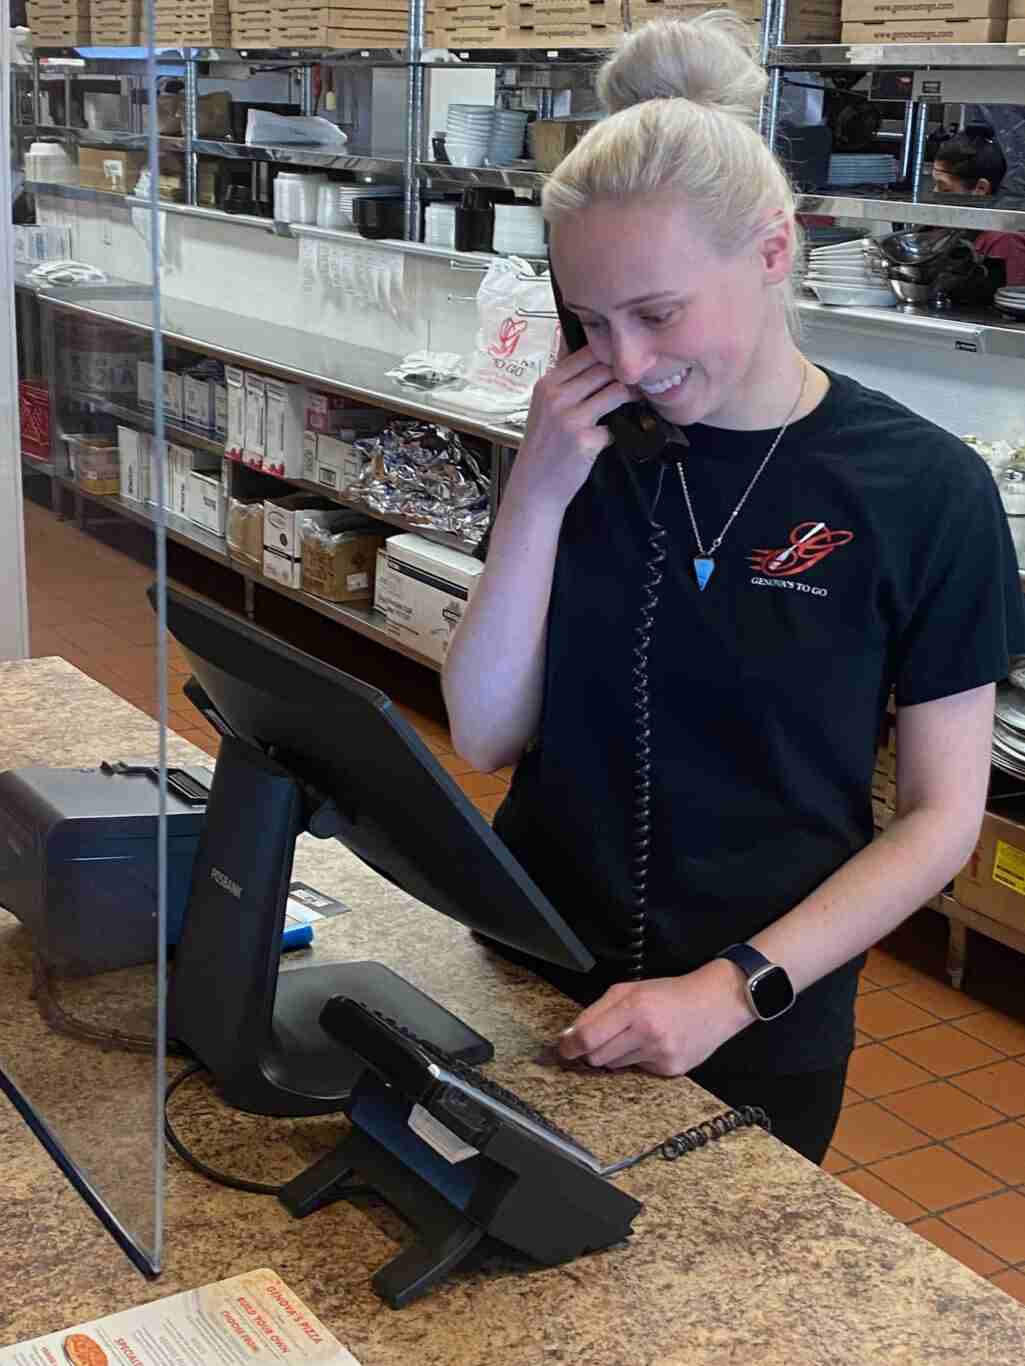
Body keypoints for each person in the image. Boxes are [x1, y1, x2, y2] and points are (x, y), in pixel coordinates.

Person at [442, 11, 1025, 1165]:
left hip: (759, 1016)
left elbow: (942, 817)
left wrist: (732, 986)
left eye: (656, 313)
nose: (627, 361)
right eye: (589, 320)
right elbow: (483, 733)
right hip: (525, 972)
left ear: (771, 250)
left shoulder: (922, 490)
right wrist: (540, 491)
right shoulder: (586, 446)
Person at [933, 130, 1025, 286]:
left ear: (981, 188)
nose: (935, 193)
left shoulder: (1006, 240)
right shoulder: (946, 227)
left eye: (945, 189)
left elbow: (1009, 301)